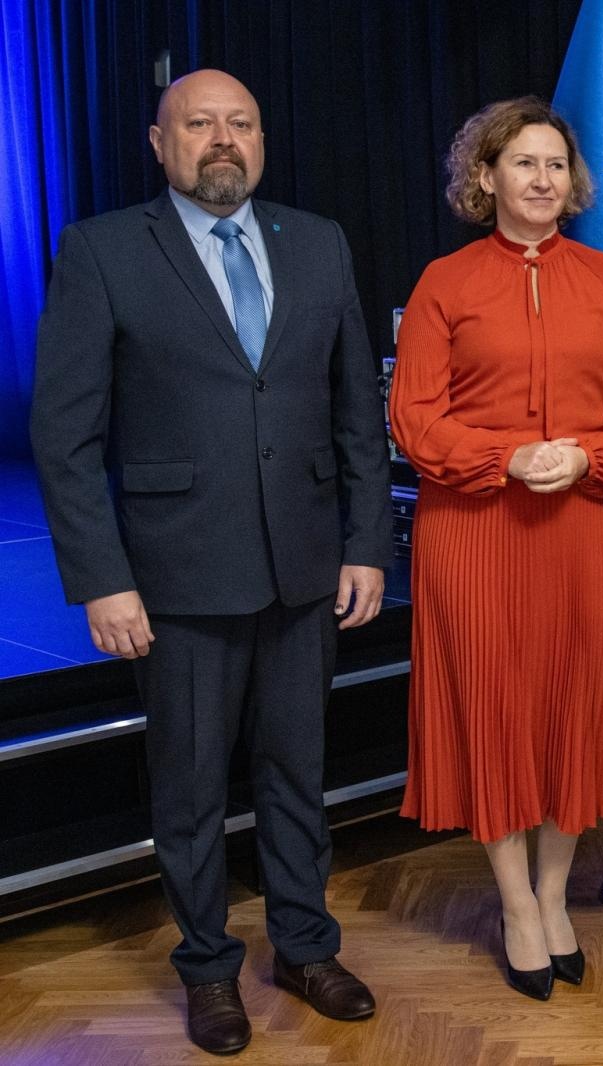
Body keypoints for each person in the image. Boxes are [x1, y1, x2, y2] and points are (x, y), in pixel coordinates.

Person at [29, 70, 391, 1055]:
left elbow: (357, 414)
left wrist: (367, 542)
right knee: (188, 791)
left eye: (241, 123)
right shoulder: (104, 249)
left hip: (306, 570)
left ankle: (306, 948)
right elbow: (64, 436)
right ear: (161, 143)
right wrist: (103, 578)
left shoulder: (317, 242)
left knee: (297, 773)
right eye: (200, 123)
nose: (223, 138)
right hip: (177, 578)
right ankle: (207, 969)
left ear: (263, 141)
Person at [388, 97, 603, 1003]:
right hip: (475, 528)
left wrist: (587, 456)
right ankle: (514, 904)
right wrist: (503, 457)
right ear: (485, 177)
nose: (543, 180)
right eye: (523, 163)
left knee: (573, 703)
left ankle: (553, 895)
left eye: (555, 164)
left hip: (583, 523)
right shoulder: (444, 283)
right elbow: (413, 417)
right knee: (495, 708)